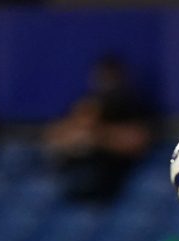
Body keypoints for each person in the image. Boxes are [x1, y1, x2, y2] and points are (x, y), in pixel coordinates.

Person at [43, 54, 153, 203]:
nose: (106, 82)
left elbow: (137, 140)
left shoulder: (131, 105)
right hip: (76, 178)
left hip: (113, 181)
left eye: (111, 77)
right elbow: (55, 137)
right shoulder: (88, 103)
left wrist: (99, 136)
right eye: (102, 76)